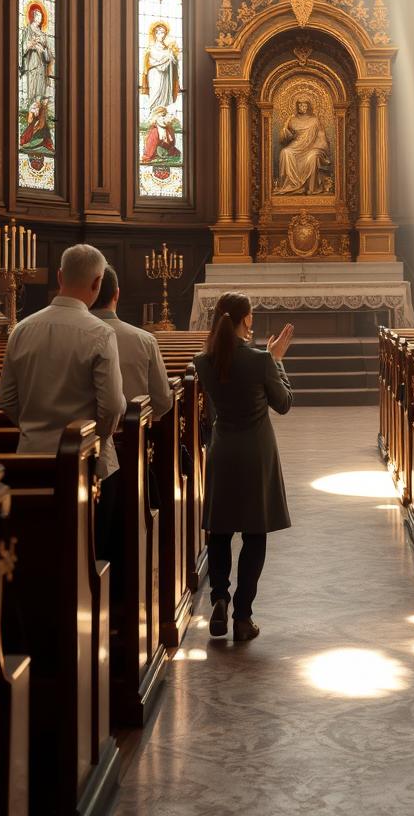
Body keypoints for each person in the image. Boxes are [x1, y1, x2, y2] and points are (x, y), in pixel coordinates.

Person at [193, 293, 294, 642]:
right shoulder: (260, 360)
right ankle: (242, 616)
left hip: (222, 450)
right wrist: (276, 360)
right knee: (255, 533)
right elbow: (283, 404)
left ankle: (218, 598)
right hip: (256, 454)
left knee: (220, 530)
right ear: (247, 320)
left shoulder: (203, 361)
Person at [0, 244, 125, 480]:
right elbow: (113, 407)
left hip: (30, 457)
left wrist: (37, 431)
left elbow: (6, 399)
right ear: (97, 282)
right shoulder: (101, 333)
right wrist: (95, 437)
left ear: (59, 276)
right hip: (85, 459)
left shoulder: (21, 329)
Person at [91, 265, 173, 418]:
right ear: (117, 294)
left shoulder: (65, 337)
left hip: (78, 437)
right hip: (135, 437)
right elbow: (162, 401)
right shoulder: (145, 341)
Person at [277, 96, 331, 194]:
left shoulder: (314, 120)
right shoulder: (292, 120)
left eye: (304, 104)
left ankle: (310, 188)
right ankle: (290, 185)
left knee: (312, 156)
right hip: (296, 146)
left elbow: (321, 136)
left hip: (311, 147)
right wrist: (286, 125)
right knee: (285, 152)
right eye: (300, 105)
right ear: (297, 106)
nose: (302, 107)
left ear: (308, 106)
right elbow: (284, 139)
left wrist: (320, 149)